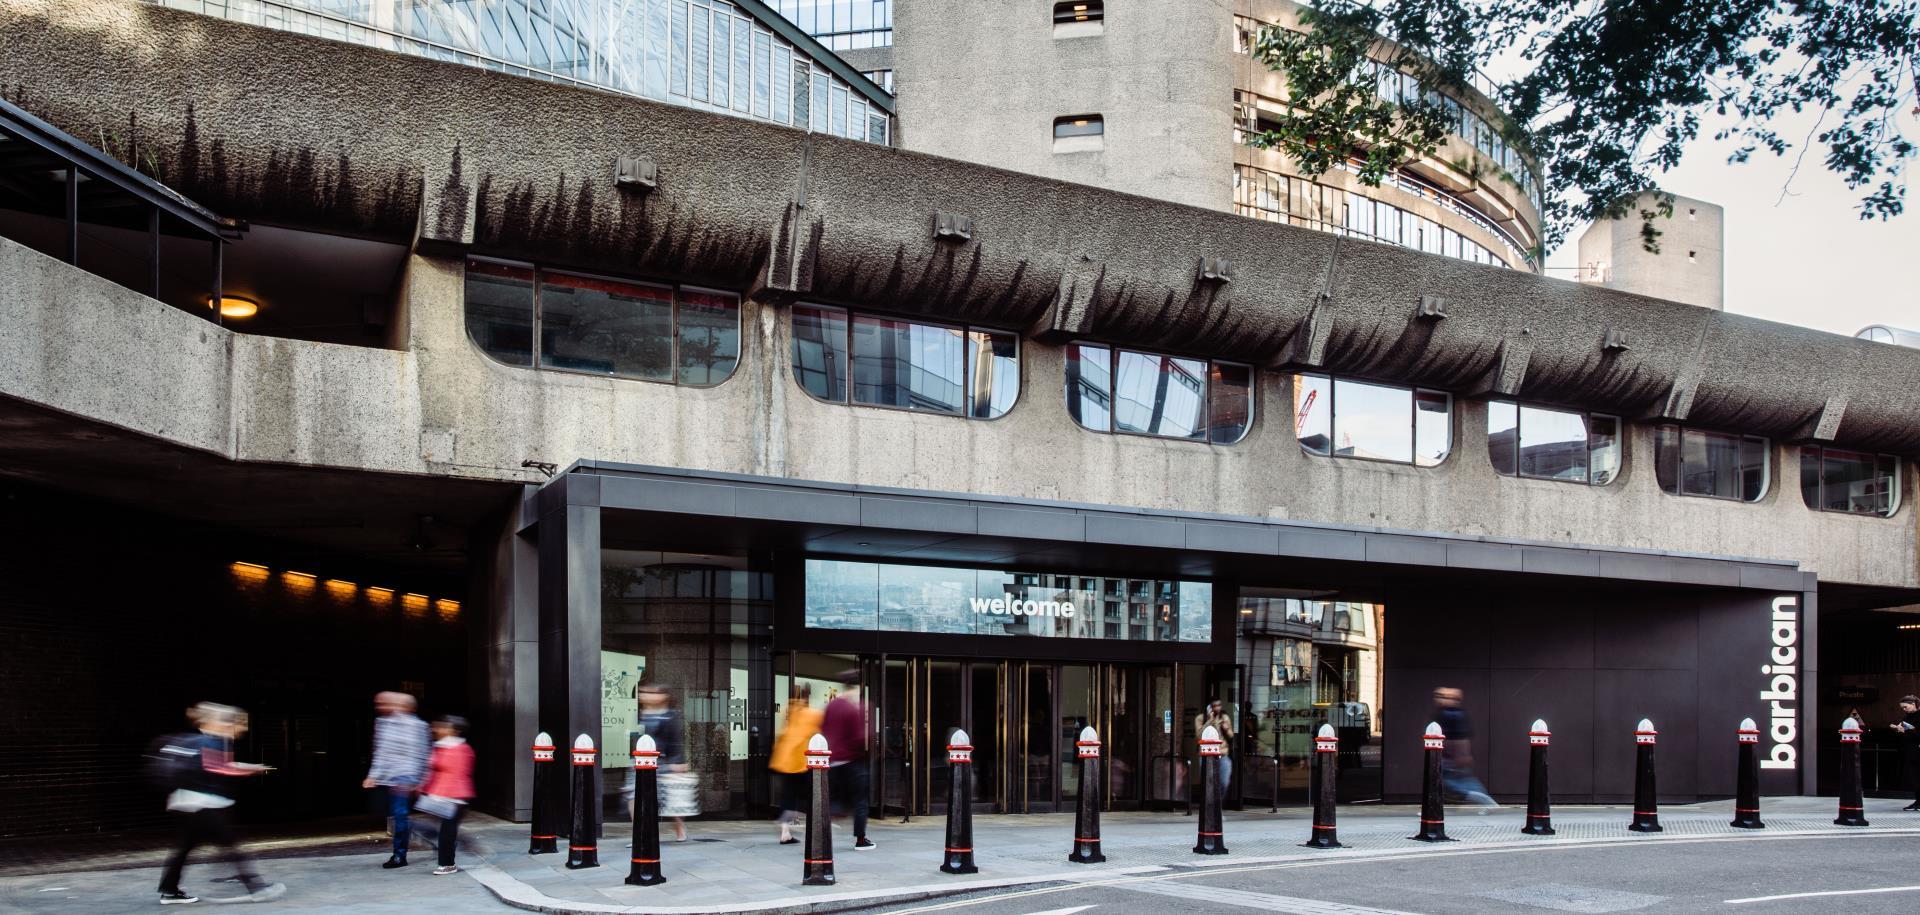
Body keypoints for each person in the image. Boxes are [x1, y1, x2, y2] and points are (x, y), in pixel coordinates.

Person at [153, 702, 286, 905]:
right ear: (224, 724)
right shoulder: (214, 741)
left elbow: (217, 766)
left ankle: (170, 890)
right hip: (203, 803)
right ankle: (257, 888)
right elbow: (219, 767)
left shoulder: (198, 740)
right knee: (231, 844)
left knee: (185, 847)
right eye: (240, 723)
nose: (243, 728)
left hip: (185, 801)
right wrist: (248, 769)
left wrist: (248, 767)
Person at [363, 691, 430, 868]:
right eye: (379, 703)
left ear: (400, 705)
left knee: (399, 815)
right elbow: (380, 752)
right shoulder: (382, 723)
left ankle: (399, 856)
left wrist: (419, 779)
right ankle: (428, 830)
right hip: (386, 777)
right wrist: (373, 775)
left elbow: (422, 754)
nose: (380, 707)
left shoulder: (417, 726)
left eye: (384, 703)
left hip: (405, 776)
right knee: (387, 813)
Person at [414, 715, 476, 875]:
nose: (437, 729)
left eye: (443, 726)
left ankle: (447, 863)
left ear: (455, 730)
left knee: (446, 831)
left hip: (455, 797)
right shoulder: (439, 747)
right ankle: (458, 845)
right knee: (442, 830)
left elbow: (457, 773)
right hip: (437, 796)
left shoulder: (462, 749)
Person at [822, 671, 875, 850]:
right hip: (852, 760)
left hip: (832, 760)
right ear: (858, 686)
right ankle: (860, 839)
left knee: (834, 798)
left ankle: (829, 822)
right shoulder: (855, 708)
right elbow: (860, 737)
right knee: (860, 800)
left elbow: (823, 729)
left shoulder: (831, 706)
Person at [637, 683, 693, 842]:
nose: (644, 695)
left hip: (664, 760)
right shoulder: (640, 714)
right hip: (642, 758)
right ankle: (639, 833)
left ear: (662, 696)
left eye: (649, 692)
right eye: (643, 692)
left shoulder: (670, 715)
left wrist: (678, 762)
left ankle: (679, 827)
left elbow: (676, 741)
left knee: (671, 796)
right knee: (633, 796)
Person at [769, 686, 824, 844]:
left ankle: (785, 832)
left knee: (788, 795)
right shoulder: (811, 714)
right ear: (807, 698)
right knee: (811, 794)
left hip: (785, 761)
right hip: (801, 762)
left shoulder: (789, 711)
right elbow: (820, 732)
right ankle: (814, 825)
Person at [1432, 687, 1498, 811]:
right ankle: (1486, 801)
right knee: (1463, 781)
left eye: (1441, 696)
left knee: (1452, 783)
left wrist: (1461, 756)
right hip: (1452, 757)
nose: (1438, 699)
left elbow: (1457, 738)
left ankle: (1486, 802)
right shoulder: (1453, 713)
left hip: (1451, 757)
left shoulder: (1450, 714)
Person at [1194, 698, 1236, 794]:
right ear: (1209, 707)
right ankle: (1208, 805)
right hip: (1206, 755)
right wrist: (1209, 721)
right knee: (1206, 782)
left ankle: (1218, 803)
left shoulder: (1224, 718)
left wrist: (1226, 728)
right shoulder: (1200, 718)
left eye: (1219, 705)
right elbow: (1199, 736)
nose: (1217, 708)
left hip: (1222, 753)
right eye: (1214, 706)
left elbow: (1231, 735)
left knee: (1224, 782)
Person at [1893, 695, 1920, 811]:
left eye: (1905, 707)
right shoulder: (1908, 717)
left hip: (1918, 751)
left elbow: (1917, 734)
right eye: (1902, 708)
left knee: (1917, 777)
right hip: (1911, 752)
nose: (1904, 709)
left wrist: (1906, 731)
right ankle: (1918, 801)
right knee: (1915, 778)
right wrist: (1899, 729)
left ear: (1913, 704)